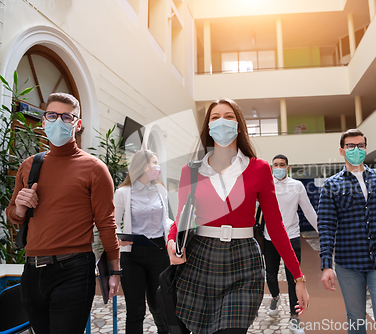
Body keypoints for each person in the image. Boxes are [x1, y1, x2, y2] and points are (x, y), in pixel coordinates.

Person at [167, 98, 309, 334]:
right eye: (215, 117)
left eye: (229, 116)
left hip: (244, 260)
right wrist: (172, 241)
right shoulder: (191, 171)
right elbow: (183, 215)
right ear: (208, 127)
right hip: (200, 257)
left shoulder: (259, 168)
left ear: (239, 126)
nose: (222, 121)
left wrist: (298, 277)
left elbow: (275, 226)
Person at [6, 92, 120, 334]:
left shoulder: (95, 169)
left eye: (67, 117)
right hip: (32, 270)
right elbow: (13, 216)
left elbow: (106, 223)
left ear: (77, 124)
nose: (58, 121)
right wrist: (20, 207)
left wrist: (115, 271)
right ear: (44, 120)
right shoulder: (29, 165)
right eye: (52, 115)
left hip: (74, 269)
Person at [318, 129, 376, 334]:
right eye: (350, 146)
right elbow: (326, 225)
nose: (356, 149)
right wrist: (326, 265)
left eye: (360, 145)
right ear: (342, 151)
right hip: (348, 264)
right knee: (356, 319)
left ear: (366, 149)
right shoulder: (331, 185)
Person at [114, 149, 172, 333]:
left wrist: (176, 227)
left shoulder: (161, 189)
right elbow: (112, 223)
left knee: (160, 306)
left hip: (159, 252)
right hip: (133, 255)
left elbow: (166, 219)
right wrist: (119, 237)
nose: (157, 166)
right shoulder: (123, 192)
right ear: (142, 166)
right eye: (154, 163)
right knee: (136, 309)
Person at [263, 154, 318, 334]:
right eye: (275, 165)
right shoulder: (265, 185)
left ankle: (295, 319)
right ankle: (275, 297)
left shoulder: (297, 186)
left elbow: (309, 211)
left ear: (288, 167)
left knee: (294, 277)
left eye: (282, 165)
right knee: (270, 274)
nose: (278, 167)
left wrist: (324, 233)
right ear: (272, 167)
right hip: (269, 238)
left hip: (291, 237)